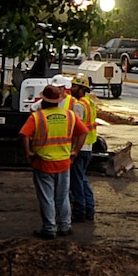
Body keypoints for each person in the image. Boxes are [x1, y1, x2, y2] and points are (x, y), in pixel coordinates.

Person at [21, 83, 88, 238]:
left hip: (43, 163)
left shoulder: (37, 117)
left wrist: (28, 152)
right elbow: (83, 131)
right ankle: (65, 226)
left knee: (47, 197)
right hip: (64, 163)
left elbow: (23, 135)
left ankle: (49, 228)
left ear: (43, 100)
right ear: (58, 100)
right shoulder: (69, 115)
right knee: (62, 196)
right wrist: (75, 151)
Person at [67, 75, 100, 224]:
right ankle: (89, 209)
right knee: (82, 179)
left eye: (74, 86)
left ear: (82, 89)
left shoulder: (79, 105)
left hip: (80, 147)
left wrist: (73, 149)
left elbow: (77, 129)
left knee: (77, 181)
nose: (71, 89)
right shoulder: (90, 103)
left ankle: (80, 211)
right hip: (88, 146)